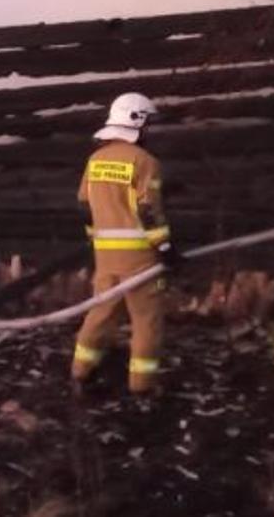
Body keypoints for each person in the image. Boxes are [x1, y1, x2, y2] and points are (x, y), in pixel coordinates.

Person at [70, 93, 181, 396]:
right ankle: (142, 387)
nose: (150, 132)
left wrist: (96, 237)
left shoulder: (95, 160)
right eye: (149, 124)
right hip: (140, 259)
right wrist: (165, 248)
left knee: (101, 313)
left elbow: (84, 205)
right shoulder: (145, 162)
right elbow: (148, 210)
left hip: (105, 256)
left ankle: (80, 373)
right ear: (138, 122)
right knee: (146, 321)